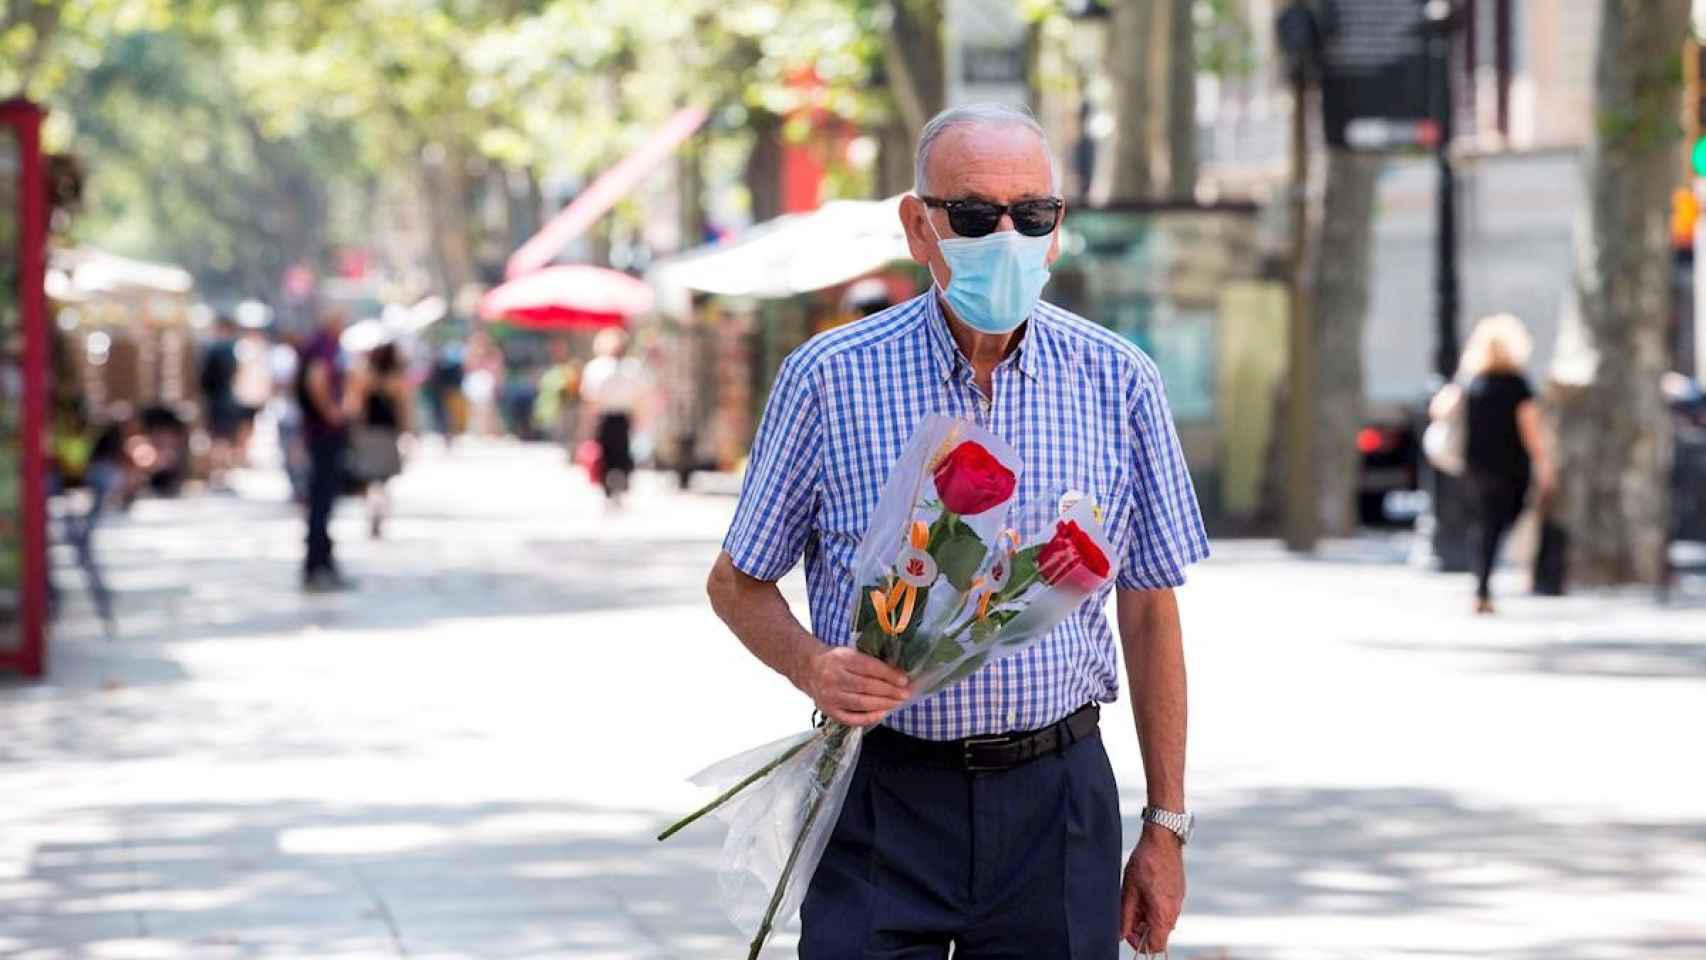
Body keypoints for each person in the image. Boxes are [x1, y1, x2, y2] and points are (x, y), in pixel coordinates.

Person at [705, 104, 1209, 958]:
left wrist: (1166, 825)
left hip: (1057, 803)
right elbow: (737, 581)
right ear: (919, 225)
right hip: (879, 795)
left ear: (1057, 230)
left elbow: (1150, 609)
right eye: (975, 215)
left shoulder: (1119, 381)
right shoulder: (829, 379)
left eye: (1032, 215)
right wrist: (814, 665)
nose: (1006, 237)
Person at [1456, 312, 1554, 614]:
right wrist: (1544, 463)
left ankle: (1482, 587)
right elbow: (1530, 429)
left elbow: (1442, 408)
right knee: (1500, 522)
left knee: (1486, 524)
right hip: (1509, 466)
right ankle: (1486, 586)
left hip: (1476, 465)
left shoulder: (1472, 383)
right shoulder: (1517, 385)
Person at [297, 305, 353, 592]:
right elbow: (316, 379)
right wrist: (332, 412)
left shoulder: (324, 345)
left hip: (321, 433)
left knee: (324, 501)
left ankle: (323, 563)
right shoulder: (324, 347)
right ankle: (317, 565)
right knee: (322, 500)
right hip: (324, 434)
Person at [344, 341, 412, 539]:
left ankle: (373, 509)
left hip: (368, 433)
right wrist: (407, 432)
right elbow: (404, 409)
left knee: (368, 477)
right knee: (382, 479)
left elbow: (355, 406)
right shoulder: (396, 379)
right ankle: (379, 510)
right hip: (387, 434)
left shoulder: (365, 377)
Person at [579, 328, 646, 505]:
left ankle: (609, 486)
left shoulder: (596, 368)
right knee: (621, 452)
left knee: (608, 453)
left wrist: (589, 420)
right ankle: (619, 483)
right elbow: (640, 396)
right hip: (621, 416)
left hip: (606, 416)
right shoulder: (632, 368)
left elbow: (589, 397)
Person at [199, 313, 242, 490]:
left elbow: (204, 377)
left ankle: (218, 475)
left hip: (217, 399)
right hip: (223, 398)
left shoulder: (217, 348)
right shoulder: (227, 348)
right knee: (222, 438)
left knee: (219, 438)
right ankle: (219, 475)